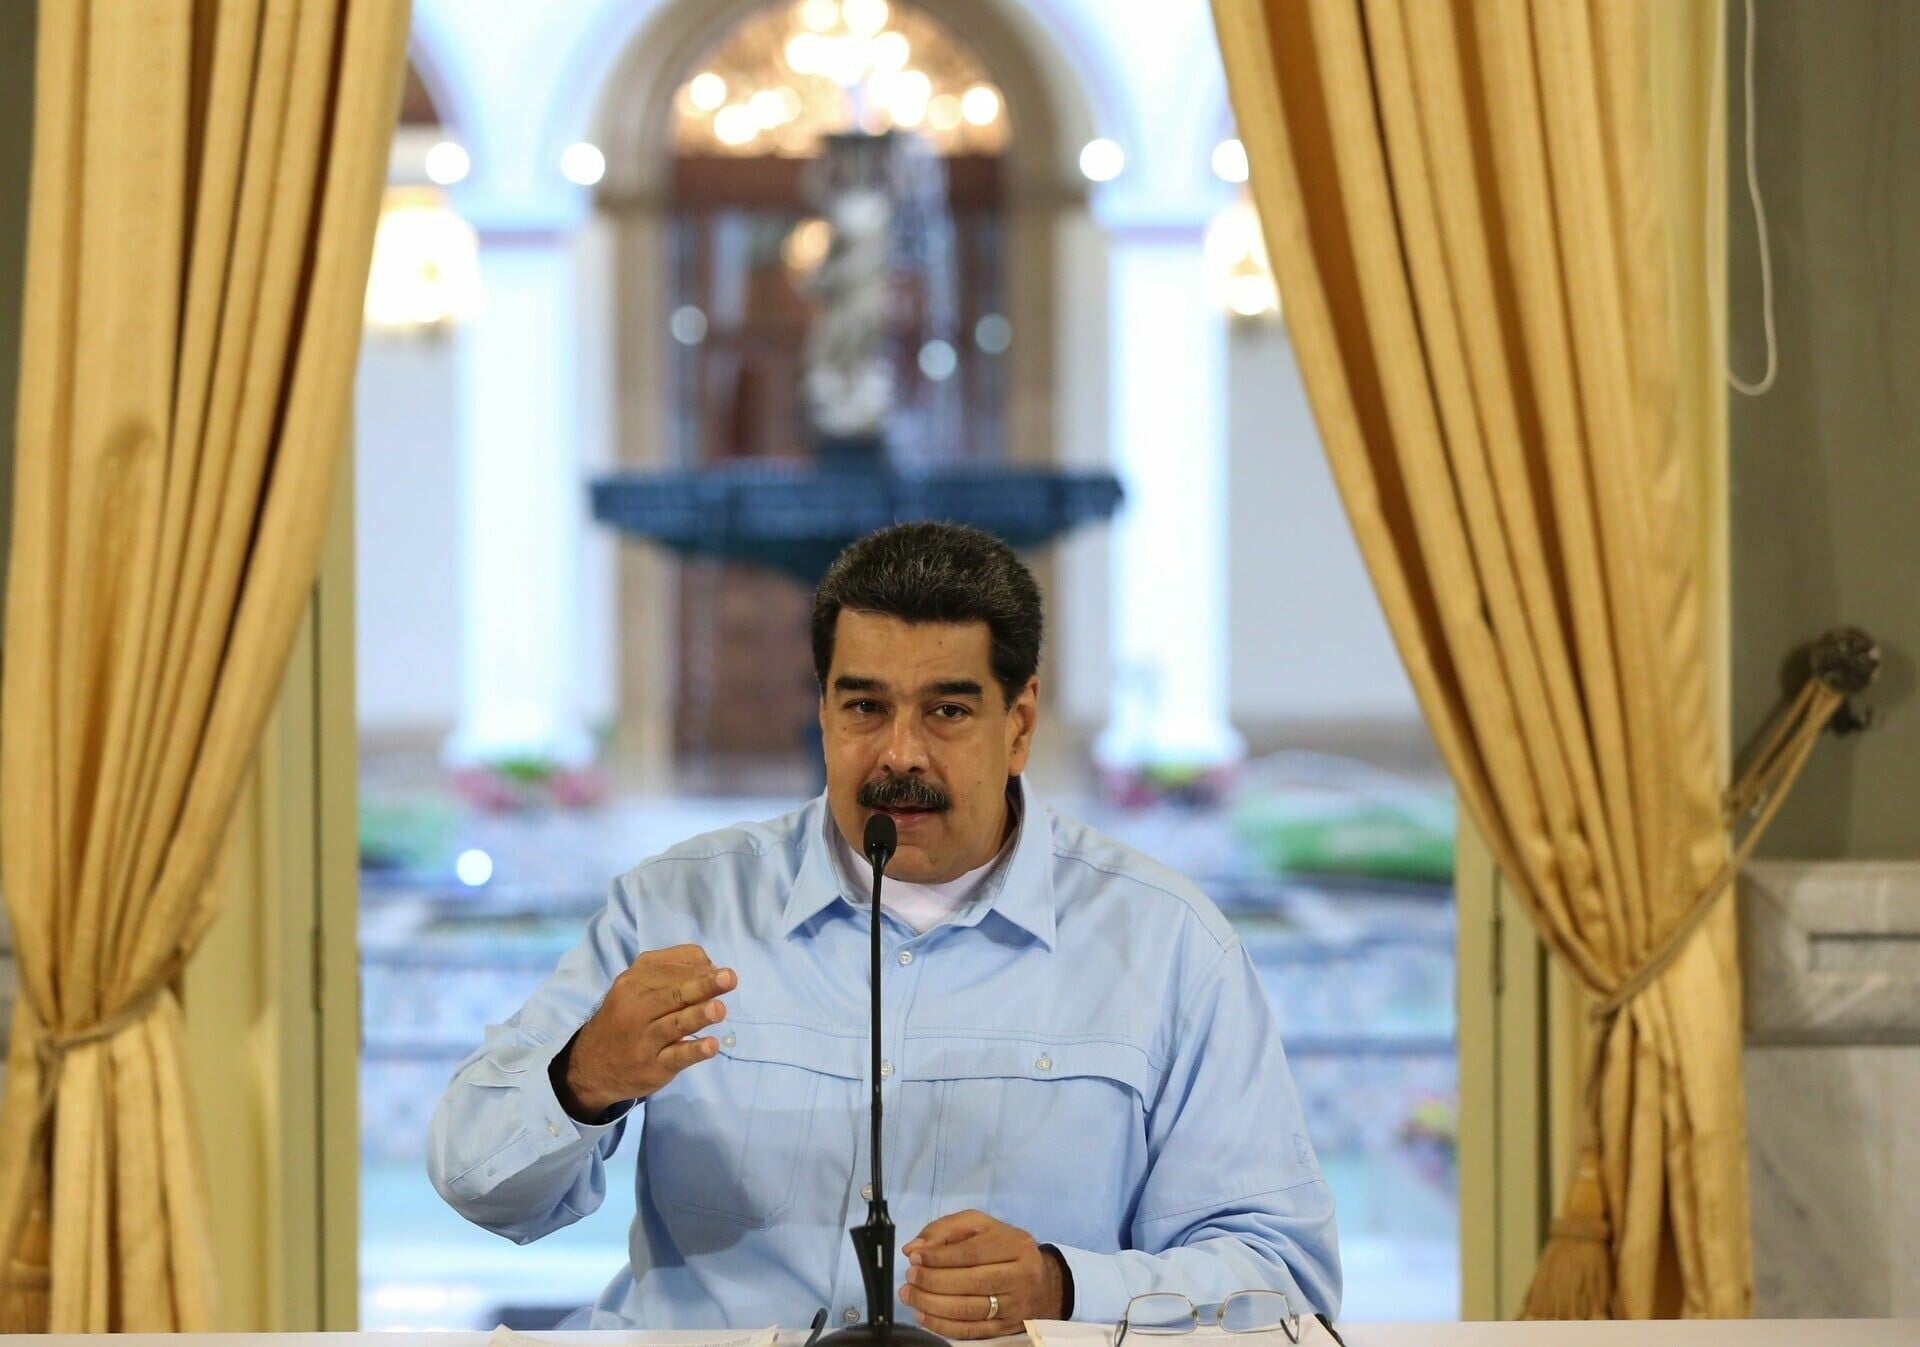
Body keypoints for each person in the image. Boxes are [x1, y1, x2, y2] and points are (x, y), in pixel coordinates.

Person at [428, 522, 1341, 1335]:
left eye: (947, 710)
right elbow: (475, 1180)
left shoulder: (1167, 944)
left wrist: (1065, 1287)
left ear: (1019, 724)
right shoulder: (678, 905)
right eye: (865, 706)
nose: (900, 752)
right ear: (824, 711)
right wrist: (582, 1077)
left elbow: (1284, 1278)